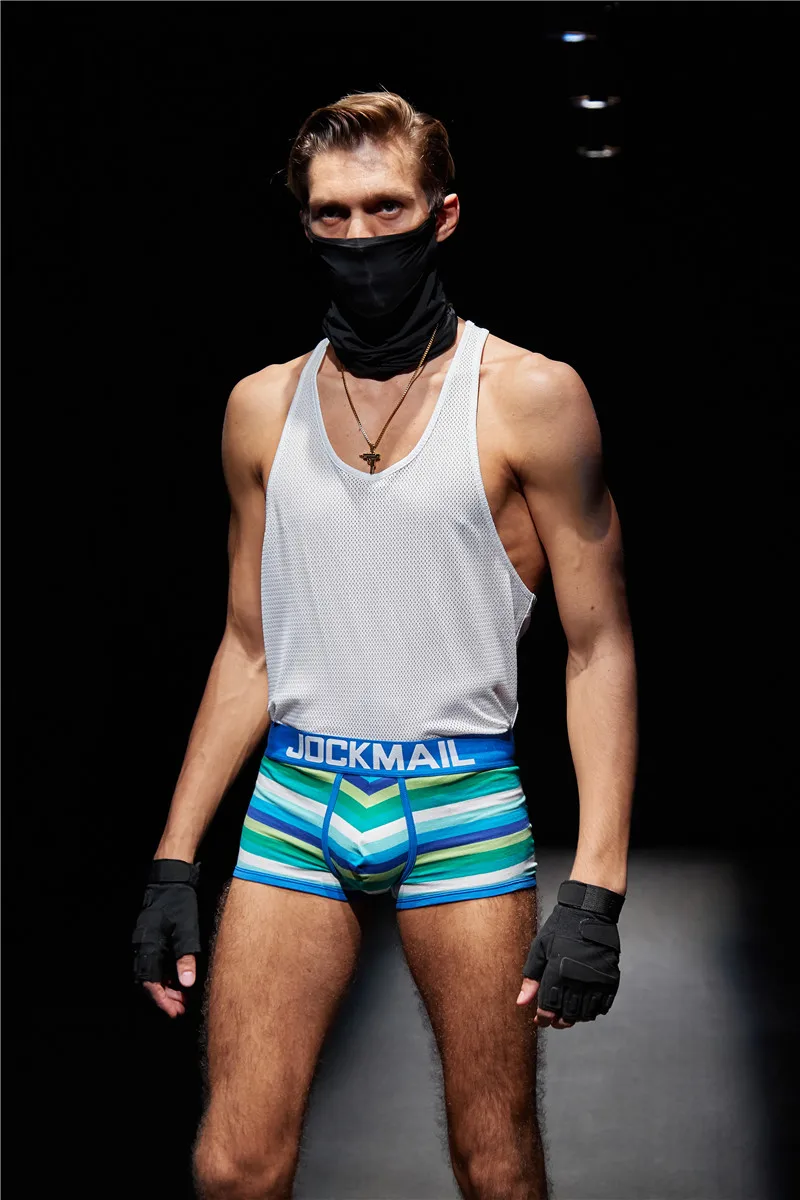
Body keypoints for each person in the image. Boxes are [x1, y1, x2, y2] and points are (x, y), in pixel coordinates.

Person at [132, 91, 638, 1200]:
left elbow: (598, 646)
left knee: (494, 1165)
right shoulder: (260, 409)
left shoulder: (530, 398)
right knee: (233, 1167)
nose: (358, 235)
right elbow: (248, 644)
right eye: (332, 214)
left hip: (458, 806)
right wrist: (175, 855)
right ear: (304, 223)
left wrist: (596, 888)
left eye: (385, 208)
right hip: (295, 803)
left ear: (442, 214)